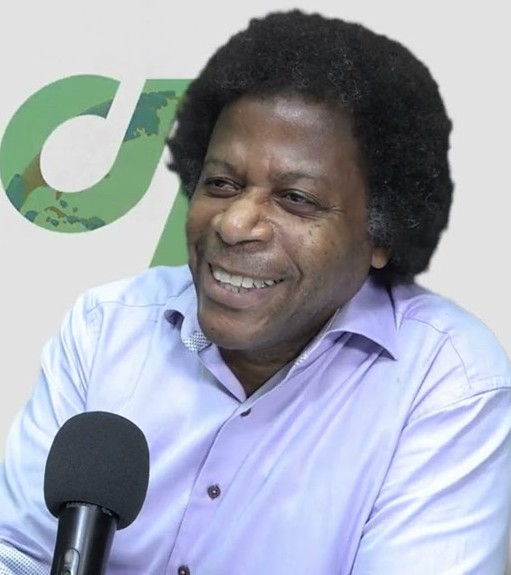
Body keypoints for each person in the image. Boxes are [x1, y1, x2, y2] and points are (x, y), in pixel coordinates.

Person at [1, 8, 511, 575]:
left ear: (381, 234)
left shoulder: (448, 382)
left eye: (296, 199)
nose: (235, 223)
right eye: (221, 184)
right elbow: (19, 553)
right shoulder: (106, 328)